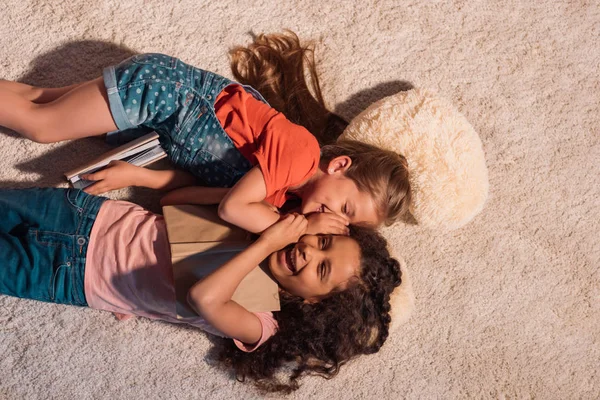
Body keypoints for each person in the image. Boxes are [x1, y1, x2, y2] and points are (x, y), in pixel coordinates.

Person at [0, 33, 410, 235]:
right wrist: (291, 231)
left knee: (38, 101)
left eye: (346, 225)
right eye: (346, 210)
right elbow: (233, 208)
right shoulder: (300, 155)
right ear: (339, 166)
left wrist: (135, 176)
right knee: (43, 127)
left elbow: (179, 196)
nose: (334, 221)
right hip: (167, 95)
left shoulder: (280, 198)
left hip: (158, 123)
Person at [0, 187, 402, 392]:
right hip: (91, 216)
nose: (309, 252)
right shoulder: (261, 223)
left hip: (68, 276)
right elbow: (174, 200)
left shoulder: (263, 323)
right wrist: (272, 219)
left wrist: (267, 243)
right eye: (324, 243)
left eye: (321, 268)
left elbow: (204, 298)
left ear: (315, 302)